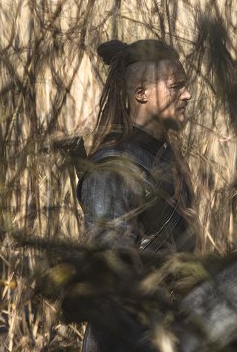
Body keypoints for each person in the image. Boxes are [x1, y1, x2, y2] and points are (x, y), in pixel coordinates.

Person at [76, 39, 196, 351]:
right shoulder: (112, 171)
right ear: (141, 94)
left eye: (186, 86)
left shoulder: (167, 160)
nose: (187, 95)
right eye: (175, 86)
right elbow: (112, 283)